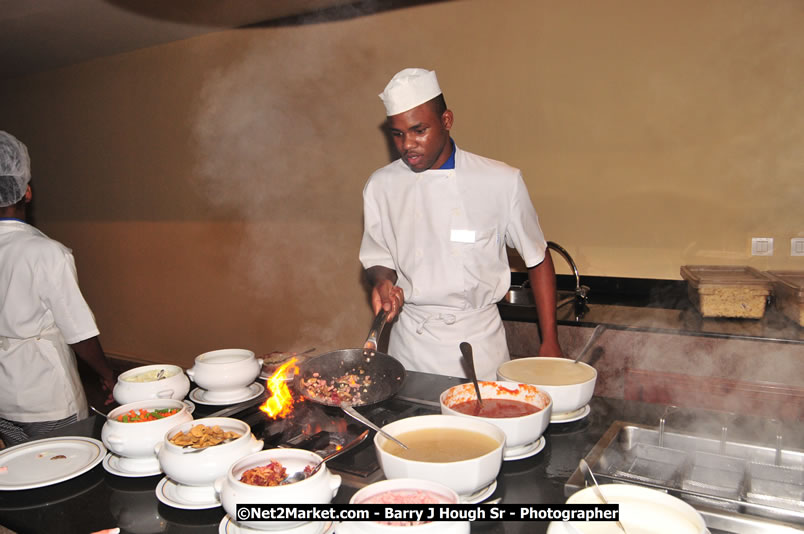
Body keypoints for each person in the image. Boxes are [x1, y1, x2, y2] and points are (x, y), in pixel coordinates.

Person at [359, 68, 563, 380]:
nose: (407, 145)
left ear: (447, 121)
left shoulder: (500, 181)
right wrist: (383, 282)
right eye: (398, 134)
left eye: (419, 130)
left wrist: (550, 340)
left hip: (479, 347)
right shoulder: (381, 185)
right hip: (411, 347)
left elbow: (537, 257)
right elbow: (379, 258)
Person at [0, 130, 116, 447]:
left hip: (3, 399)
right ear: (26, 192)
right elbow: (77, 330)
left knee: (23, 470)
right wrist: (107, 373)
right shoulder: (47, 253)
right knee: (66, 469)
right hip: (47, 399)